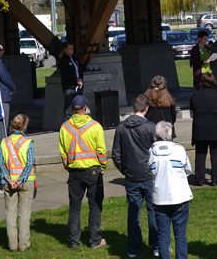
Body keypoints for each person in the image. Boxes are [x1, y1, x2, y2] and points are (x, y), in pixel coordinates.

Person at [112, 94, 158, 259]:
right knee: (153, 211)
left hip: (132, 176)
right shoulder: (151, 127)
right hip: (148, 175)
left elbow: (116, 154)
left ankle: (133, 248)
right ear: (146, 108)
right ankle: (156, 245)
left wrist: (124, 169)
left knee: (134, 212)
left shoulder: (122, 127)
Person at [59, 95, 107, 249]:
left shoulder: (65, 127)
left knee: (74, 207)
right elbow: (101, 150)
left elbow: (63, 152)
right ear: (85, 107)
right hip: (93, 171)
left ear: (73, 109)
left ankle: (73, 242)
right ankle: (95, 240)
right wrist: (103, 166)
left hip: (74, 172)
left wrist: (68, 166)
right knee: (95, 205)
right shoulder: (95, 126)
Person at [150, 121, 193, 259]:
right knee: (180, 235)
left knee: (163, 235)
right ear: (170, 133)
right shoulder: (179, 149)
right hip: (180, 197)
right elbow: (188, 170)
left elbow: (149, 172)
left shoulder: (151, 152)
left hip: (160, 198)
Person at [0, 114, 35, 252]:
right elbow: (30, 163)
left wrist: (9, 179)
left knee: (10, 214)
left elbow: (1, 163)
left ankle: (12, 245)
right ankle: (24, 244)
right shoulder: (28, 142)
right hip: (25, 182)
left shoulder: (4, 142)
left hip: (9, 183)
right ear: (24, 126)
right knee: (24, 215)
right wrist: (20, 180)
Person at [189, 72, 217, 186]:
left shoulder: (195, 95)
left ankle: (199, 179)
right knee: (216, 154)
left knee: (200, 154)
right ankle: (215, 179)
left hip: (200, 129)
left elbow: (193, 109)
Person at [57, 41, 83, 116]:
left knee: (78, 106)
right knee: (69, 108)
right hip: (69, 87)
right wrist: (76, 80)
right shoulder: (63, 61)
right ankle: (68, 125)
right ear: (65, 50)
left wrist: (80, 79)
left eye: (72, 48)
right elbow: (67, 74)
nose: (72, 50)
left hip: (78, 86)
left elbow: (79, 70)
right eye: (70, 48)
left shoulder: (74, 59)